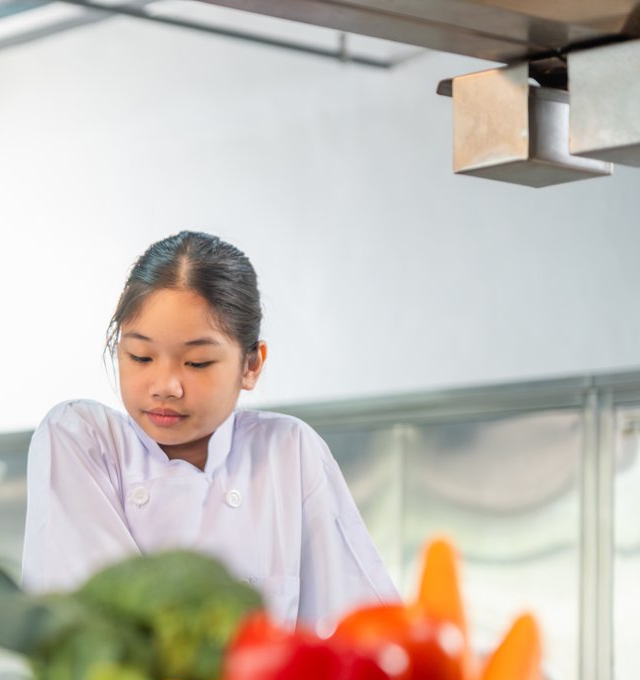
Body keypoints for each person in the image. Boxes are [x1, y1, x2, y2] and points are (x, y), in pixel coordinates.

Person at [23, 230, 398, 629]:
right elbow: (93, 627)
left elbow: (357, 627)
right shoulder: (81, 439)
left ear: (251, 365)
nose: (165, 385)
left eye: (197, 362)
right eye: (141, 356)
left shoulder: (289, 451)